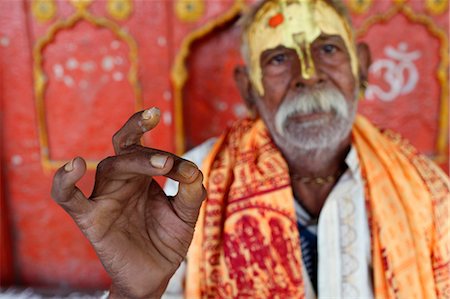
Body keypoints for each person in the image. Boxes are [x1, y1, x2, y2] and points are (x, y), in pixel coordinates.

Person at [51, 0, 449, 298]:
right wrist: (136, 294)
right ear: (248, 89)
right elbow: (143, 283)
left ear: (361, 66)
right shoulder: (189, 186)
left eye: (328, 50)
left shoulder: (426, 191)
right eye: (278, 58)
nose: (308, 77)